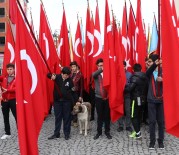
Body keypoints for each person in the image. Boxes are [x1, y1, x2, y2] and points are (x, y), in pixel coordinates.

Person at [47, 67, 74, 140]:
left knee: (67, 117)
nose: (67, 76)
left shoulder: (70, 80)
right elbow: (48, 74)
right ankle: (56, 133)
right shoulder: (57, 77)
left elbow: (72, 91)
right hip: (57, 101)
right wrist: (51, 76)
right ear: (62, 73)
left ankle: (67, 133)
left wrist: (74, 101)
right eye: (66, 75)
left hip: (67, 102)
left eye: (68, 75)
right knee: (58, 117)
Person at [124, 64, 148, 139]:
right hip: (143, 99)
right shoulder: (145, 77)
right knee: (138, 116)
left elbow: (129, 89)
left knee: (133, 116)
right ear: (141, 69)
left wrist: (124, 87)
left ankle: (138, 133)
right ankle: (138, 131)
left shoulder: (134, 77)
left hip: (135, 99)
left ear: (133, 70)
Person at [146, 54, 164, 149]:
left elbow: (171, 82)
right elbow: (146, 74)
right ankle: (152, 142)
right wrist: (154, 65)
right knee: (152, 122)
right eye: (150, 62)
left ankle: (160, 141)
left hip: (161, 100)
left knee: (161, 122)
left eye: (150, 61)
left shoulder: (163, 71)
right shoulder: (150, 72)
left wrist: (163, 80)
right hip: (151, 100)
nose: (148, 63)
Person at [92, 58, 112, 140]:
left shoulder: (108, 73)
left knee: (107, 116)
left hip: (107, 98)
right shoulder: (96, 73)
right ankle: (99, 132)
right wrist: (101, 69)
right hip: (99, 98)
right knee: (99, 116)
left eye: (102, 65)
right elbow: (93, 75)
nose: (101, 67)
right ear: (97, 66)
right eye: (99, 65)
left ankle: (107, 131)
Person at [0, 63, 16, 140]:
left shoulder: (17, 78)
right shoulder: (4, 78)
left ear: (14, 69)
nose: (9, 71)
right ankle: (7, 133)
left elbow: (18, 89)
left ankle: (21, 132)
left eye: (11, 69)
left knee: (17, 117)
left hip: (13, 100)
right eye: (8, 69)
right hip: (4, 100)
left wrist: (8, 90)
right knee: (5, 117)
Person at [117, 61, 133, 132]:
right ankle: (120, 125)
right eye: (121, 66)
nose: (122, 67)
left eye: (123, 66)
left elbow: (131, 85)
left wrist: (126, 86)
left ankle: (128, 125)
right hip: (119, 95)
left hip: (127, 95)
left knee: (128, 111)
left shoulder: (129, 74)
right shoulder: (117, 74)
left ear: (125, 66)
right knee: (120, 111)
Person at [70, 61, 84, 127]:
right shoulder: (70, 74)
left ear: (77, 66)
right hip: (70, 93)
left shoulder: (80, 75)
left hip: (76, 93)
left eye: (74, 66)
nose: (73, 68)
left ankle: (75, 121)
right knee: (70, 107)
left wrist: (80, 96)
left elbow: (81, 87)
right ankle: (70, 120)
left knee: (75, 107)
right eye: (72, 67)